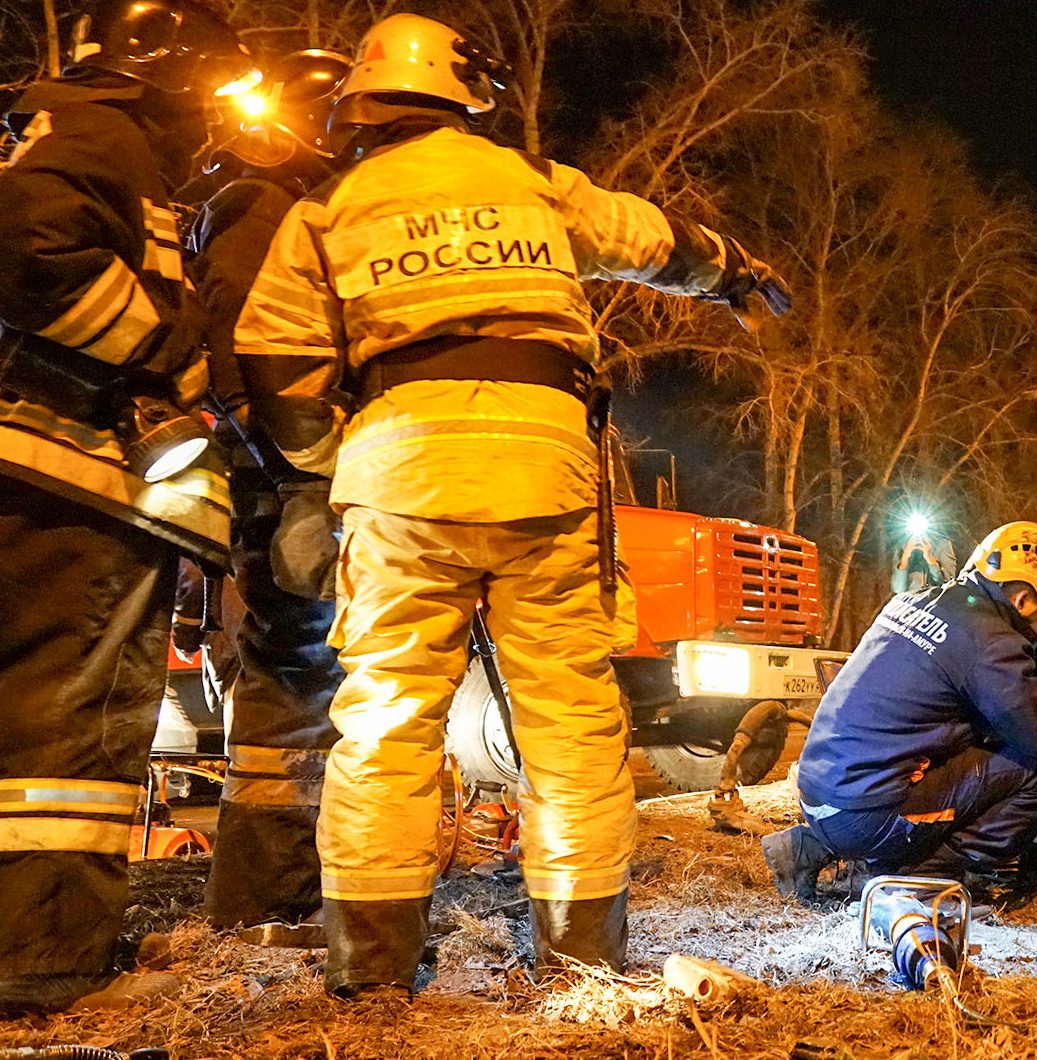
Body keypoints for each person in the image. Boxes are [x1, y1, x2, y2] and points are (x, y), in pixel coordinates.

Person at [232, 13, 790, 998]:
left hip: (398, 468)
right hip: (543, 463)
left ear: (364, 103)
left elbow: (275, 364)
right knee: (570, 724)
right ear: (462, 93)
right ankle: (580, 957)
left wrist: (335, 463)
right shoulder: (530, 185)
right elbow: (650, 238)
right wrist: (734, 268)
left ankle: (370, 970)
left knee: (387, 723)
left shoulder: (326, 210)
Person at [0, 0, 254, 1015]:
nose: (217, 114)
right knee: (72, 740)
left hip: (42, 473)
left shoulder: (58, 127)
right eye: (212, 86)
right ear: (167, 65)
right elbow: (28, 247)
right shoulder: (103, 134)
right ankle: (46, 965)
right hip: (74, 481)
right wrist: (164, 351)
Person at [189, 49, 354, 936]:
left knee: (305, 681)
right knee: (296, 675)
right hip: (288, 481)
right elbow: (248, 360)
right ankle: (271, 897)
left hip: (287, 475)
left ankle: (283, 889)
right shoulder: (264, 206)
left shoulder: (254, 202)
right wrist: (301, 481)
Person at [766, 521, 1037, 903]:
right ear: (1022, 600)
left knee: (972, 749)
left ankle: (810, 846)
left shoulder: (917, 599)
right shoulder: (990, 640)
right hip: (861, 812)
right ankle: (927, 876)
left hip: (821, 792)